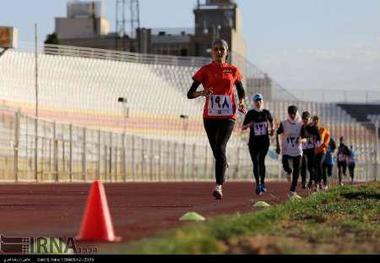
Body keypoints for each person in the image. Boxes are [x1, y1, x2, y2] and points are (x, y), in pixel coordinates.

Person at [187, 39, 246, 200]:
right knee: (217, 151)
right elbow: (190, 93)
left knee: (220, 147)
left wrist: (241, 102)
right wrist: (202, 92)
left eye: (222, 49)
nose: (219, 52)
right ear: (212, 52)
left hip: (228, 115)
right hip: (210, 116)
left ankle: (219, 186)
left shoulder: (233, 70)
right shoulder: (205, 70)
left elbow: (241, 90)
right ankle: (223, 164)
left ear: (227, 52)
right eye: (216, 49)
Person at [242, 93, 275, 196]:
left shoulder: (266, 112)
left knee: (261, 161)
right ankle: (257, 184)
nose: (258, 102)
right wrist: (249, 125)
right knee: (255, 162)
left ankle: (263, 183)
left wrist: (272, 129)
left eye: (260, 100)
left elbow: (272, 122)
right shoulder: (250, 113)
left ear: (262, 101)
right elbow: (243, 127)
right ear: (254, 102)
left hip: (264, 142)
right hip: (253, 142)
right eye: (256, 101)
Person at [276, 105, 306, 199]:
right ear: (288, 113)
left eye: (294, 113)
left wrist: (300, 140)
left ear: (296, 113)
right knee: (286, 166)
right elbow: (277, 133)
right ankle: (289, 171)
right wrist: (277, 145)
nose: (292, 116)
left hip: (297, 150)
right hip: (286, 149)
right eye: (290, 114)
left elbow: (306, 138)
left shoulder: (301, 124)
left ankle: (292, 191)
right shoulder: (284, 123)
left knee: (297, 171)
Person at [300, 111, 321, 190]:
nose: (304, 120)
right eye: (303, 119)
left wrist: (316, 146)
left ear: (309, 119)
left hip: (312, 149)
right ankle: (303, 182)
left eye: (306, 119)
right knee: (303, 164)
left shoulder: (313, 127)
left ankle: (314, 181)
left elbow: (319, 139)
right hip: (304, 149)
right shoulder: (301, 127)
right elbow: (300, 137)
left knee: (311, 167)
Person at [313, 116, 331, 191]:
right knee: (318, 167)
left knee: (319, 165)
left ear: (318, 121)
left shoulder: (322, 129)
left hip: (322, 151)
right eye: (314, 120)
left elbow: (328, 135)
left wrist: (325, 143)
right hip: (315, 152)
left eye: (316, 120)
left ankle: (319, 183)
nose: (315, 121)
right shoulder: (311, 130)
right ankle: (319, 183)